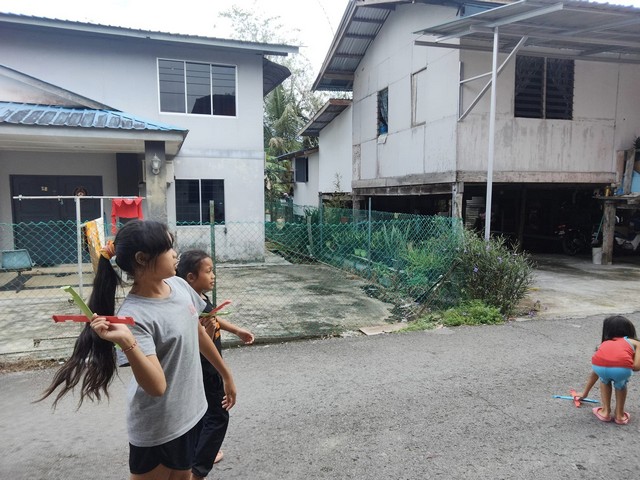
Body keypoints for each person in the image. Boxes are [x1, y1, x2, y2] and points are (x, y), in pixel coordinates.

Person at [38, 220, 237, 480]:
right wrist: (127, 342)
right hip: (159, 427)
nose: (175, 254)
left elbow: (197, 332)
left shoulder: (179, 286)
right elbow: (157, 387)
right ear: (142, 259)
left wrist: (226, 374)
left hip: (192, 412)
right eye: (168, 248)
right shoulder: (135, 316)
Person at [177, 250, 254, 480]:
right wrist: (209, 334)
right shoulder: (188, 304)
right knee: (219, 415)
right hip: (207, 369)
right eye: (209, 271)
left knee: (203, 412)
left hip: (207, 368)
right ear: (191, 277)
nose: (213, 276)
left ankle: (202, 451)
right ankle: (199, 468)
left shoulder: (197, 298)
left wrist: (236, 330)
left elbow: (213, 315)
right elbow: (200, 345)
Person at [576, 315, 640, 425]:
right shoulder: (634, 342)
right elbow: (637, 366)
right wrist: (626, 363)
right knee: (621, 384)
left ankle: (605, 412)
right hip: (621, 370)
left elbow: (595, 373)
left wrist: (584, 393)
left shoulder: (603, 344)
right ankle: (620, 415)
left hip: (598, 367)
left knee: (604, 379)